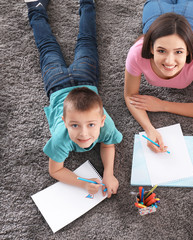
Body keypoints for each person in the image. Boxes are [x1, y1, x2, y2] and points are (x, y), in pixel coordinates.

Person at [25, 0, 122, 198]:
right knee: (84, 41)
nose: (84, 134)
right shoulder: (61, 136)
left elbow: (107, 144)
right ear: (64, 121)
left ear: (102, 120)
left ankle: (38, 8)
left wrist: (108, 173)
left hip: (57, 82)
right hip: (81, 78)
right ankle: (41, 7)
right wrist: (82, 184)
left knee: (49, 47)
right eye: (75, 125)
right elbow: (55, 170)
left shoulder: (106, 125)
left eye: (91, 125)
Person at [124, 0, 193, 153]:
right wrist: (149, 129)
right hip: (157, 20)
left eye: (178, 52)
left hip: (191, 18)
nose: (169, 61)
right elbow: (130, 95)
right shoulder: (137, 53)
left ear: (188, 51)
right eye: (161, 51)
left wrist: (162, 105)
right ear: (151, 47)